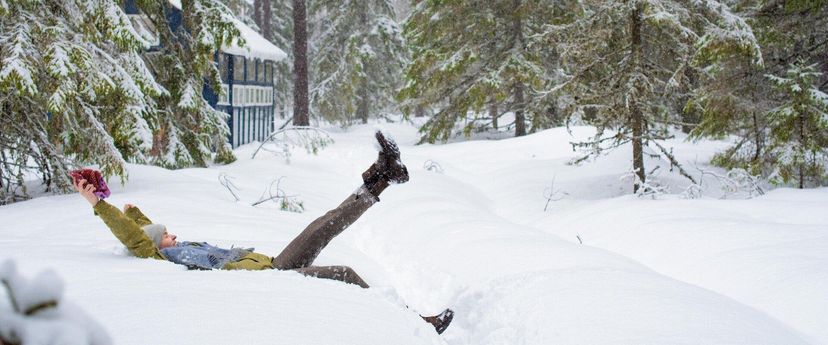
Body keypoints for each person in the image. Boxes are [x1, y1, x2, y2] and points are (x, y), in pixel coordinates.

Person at [74, 131, 453, 334]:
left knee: (323, 225)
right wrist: (97, 205)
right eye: (167, 235)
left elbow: (142, 228)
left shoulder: (172, 247)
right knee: (348, 275)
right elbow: (137, 238)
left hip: (275, 265)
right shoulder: (160, 255)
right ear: (157, 246)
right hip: (275, 278)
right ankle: (418, 325)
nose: (173, 236)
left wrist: (129, 207)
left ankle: (383, 176)